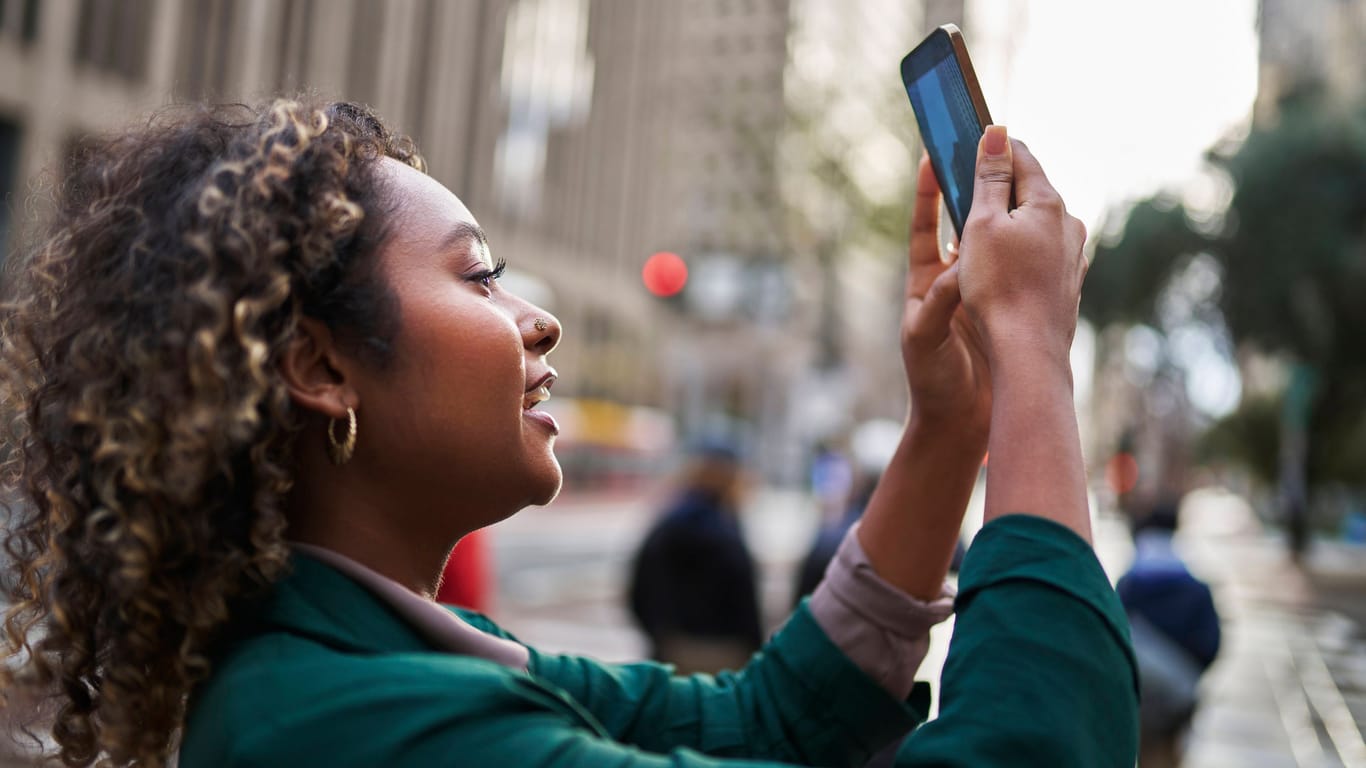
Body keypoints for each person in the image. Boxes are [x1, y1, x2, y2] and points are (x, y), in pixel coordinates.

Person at [0, 98, 1136, 767]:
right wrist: (1036, 356)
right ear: (317, 366)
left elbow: (773, 717)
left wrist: (954, 423)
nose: (535, 317)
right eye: (478, 276)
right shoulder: (359, 722)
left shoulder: (374, 659)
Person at [628, 440, 762, 673]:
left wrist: (660, 636)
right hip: (723, 653)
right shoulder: (726, 528)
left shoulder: (668, 522)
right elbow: (745, 601)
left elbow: (639, 590)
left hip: (671, 649)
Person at [1118, 496, 1221, 768]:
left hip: (1137, 694)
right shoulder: (1196, 587)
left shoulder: (1130, 583)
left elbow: (1114, 635)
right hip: (1178, 697)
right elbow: (1210, 644)